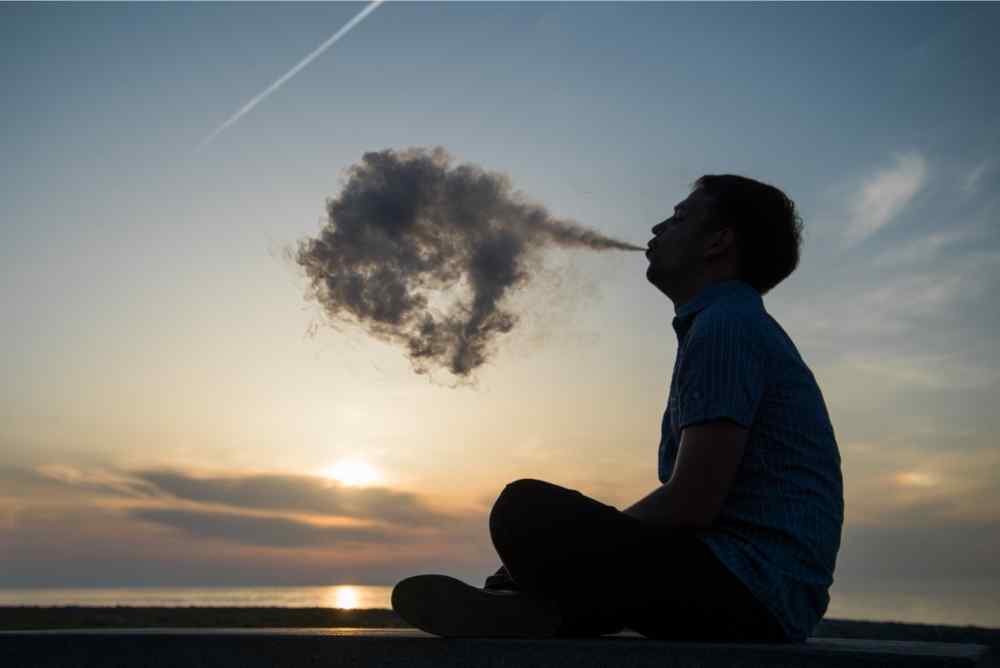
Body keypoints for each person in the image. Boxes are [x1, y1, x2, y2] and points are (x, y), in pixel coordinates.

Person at [392, 175, 844, 643]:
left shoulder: (725, 325)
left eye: (679, 217)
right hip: (759, 592)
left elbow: (692, 500)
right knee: (543, 528)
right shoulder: (729, 323)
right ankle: (538, 611)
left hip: (751, 594)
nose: (657, 227)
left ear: (718, 242)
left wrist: (564, 549)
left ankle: (534, 607)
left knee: (523, 510)